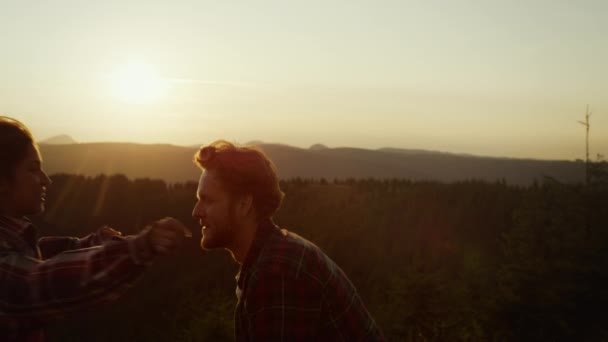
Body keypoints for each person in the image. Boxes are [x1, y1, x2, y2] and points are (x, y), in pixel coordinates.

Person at [0, 116, 191, 341]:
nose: (46, 181)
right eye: (33, 170)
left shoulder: (13, 242)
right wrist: (140, 246)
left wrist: (93, 243)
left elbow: (40, 252)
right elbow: (38, 281)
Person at [191, 140, 385, 341]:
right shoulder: (272, 258)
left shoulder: (277, 273)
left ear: (243, 204)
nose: (196, 212)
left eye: (208, 200)